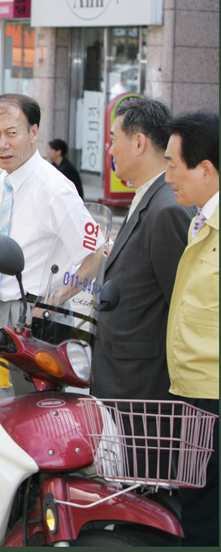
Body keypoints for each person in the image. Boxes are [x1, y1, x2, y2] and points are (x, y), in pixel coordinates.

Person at [92, 98, 193, 401]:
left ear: (138, 143)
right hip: (119, 376)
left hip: (142, 385)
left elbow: (181, 307)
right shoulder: (149, 196)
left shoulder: (166, 209)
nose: (109, 150)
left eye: (113, 139)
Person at [0, 94, 91, 330]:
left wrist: (55, 300)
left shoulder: (55, 188)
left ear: (33, 133)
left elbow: (96, 255)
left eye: (12, 133)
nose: (3, 145)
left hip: (36, 315)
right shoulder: (5, 180)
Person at [163, 109, 218, 548]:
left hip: (213, 398)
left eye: (172, 165)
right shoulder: (201, 220)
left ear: (205, 169)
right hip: (192, 393)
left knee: (203, 522)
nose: (167, 177)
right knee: (194, 509)